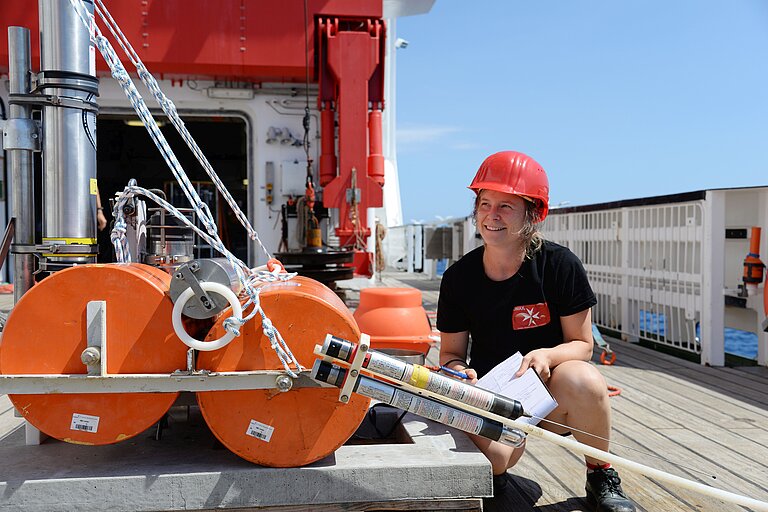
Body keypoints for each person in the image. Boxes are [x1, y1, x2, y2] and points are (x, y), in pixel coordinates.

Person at [436, 151, 636, 512]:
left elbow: (582, 345)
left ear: (534, 213)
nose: (491, 216)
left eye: (506, 206)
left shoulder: (561, 266)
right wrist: (456, 372)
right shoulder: (458, 278)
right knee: (498, 459)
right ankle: (492, 472)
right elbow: (449, 354)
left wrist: (546, 355)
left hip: (550, 396)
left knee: (585, 379)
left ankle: (600, 474)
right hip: (492, 399)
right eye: (484, 203)